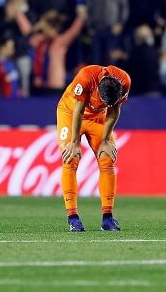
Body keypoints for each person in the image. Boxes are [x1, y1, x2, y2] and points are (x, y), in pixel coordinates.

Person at [57, 65, 131, 232]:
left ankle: (108, 218)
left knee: (107, 157)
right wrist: (75, 142)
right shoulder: (86, 76)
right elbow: (78, 110)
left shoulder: (124, 80)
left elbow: (114, 110)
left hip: (98, 118)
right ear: (97, 89)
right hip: (70, 113)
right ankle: (73, 218)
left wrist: (105, 139)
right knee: (70, 158)